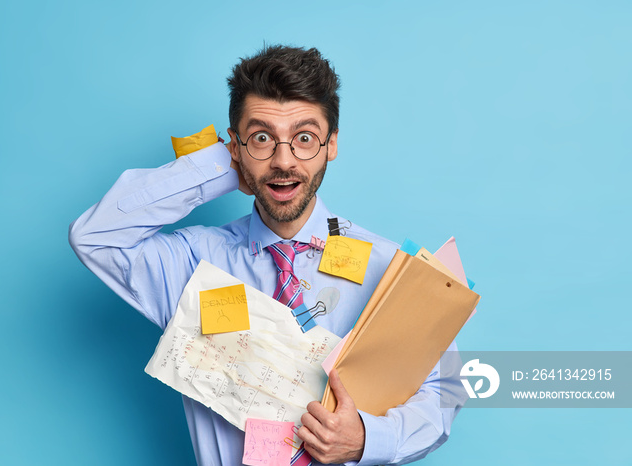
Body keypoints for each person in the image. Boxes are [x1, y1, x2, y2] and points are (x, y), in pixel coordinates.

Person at [69, 45, 464, 465]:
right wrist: (217, 168)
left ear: (331, 145)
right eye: (261, 138)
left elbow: (445, 390)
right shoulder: (191, 263)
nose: (283, 161)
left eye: (304, 138)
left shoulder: (390, 268)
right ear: (236, 146)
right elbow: (95, 237)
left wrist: (369, 439)